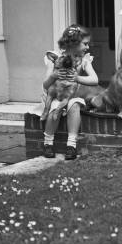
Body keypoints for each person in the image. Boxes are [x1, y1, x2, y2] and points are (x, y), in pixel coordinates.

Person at [37, 25, 99, 160]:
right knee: (54, 108)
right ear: (74, 43)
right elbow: (46, 85)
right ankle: (48, 143)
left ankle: (71, 145)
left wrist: (77, 78)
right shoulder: (56, 58)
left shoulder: (84, 60)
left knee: (75, 105)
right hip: (56, 95)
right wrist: (54, 75)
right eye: (85, 44)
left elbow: (95, 79)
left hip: (73, 94)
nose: (87, 47)